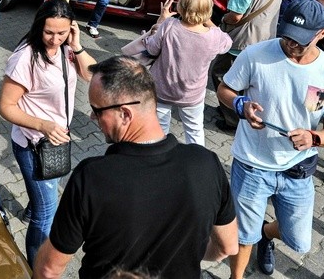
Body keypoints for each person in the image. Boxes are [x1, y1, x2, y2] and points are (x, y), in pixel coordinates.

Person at [33, 56, 239, 279]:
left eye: (97, 110)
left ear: (125, 114)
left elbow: (49, 269)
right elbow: (227, 248)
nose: (92, 117)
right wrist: (187, 252)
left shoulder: (91, 177)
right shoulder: (206, 163)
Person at [217, 0, 324, 279]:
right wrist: (241, 105)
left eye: (301, 41)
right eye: (288, 36)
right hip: (252, 164)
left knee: (298, 239)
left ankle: (266, 233)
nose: (292, 44)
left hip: (297, 170)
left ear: (322, 34)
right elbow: (225, 89)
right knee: (243, 234)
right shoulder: (255, 55)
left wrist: (313, 138)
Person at [0, 0, 97, 267]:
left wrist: (76, 45)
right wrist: (43, 125)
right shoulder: (25, 58)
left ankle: (32, 205)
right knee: (47, 214)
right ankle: (36, 268)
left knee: (41, 200)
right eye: (49, 32)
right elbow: (5, 107)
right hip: (34, 144)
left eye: (62, 32)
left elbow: (92, 75)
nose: (55, 39)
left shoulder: (67, 49)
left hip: (55, 140)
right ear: (38, 26)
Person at [144, 0, 232, 146]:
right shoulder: (213, 37)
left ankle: (159, 159)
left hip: (162, 89)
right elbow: (227, 43)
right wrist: (209, 22)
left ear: (180, 7)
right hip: (192, 94)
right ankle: (198, 162)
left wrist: (159, 22)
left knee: (160, 129)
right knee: (194, 130)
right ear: (208, 11)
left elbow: (151, 48)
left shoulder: (169, 25)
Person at [214, 0, 284, 130]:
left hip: (242, 40)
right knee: (248, 81)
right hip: (266, 38)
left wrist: (222, 19)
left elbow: (236, 15)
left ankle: (232, 119)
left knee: (222, 75)